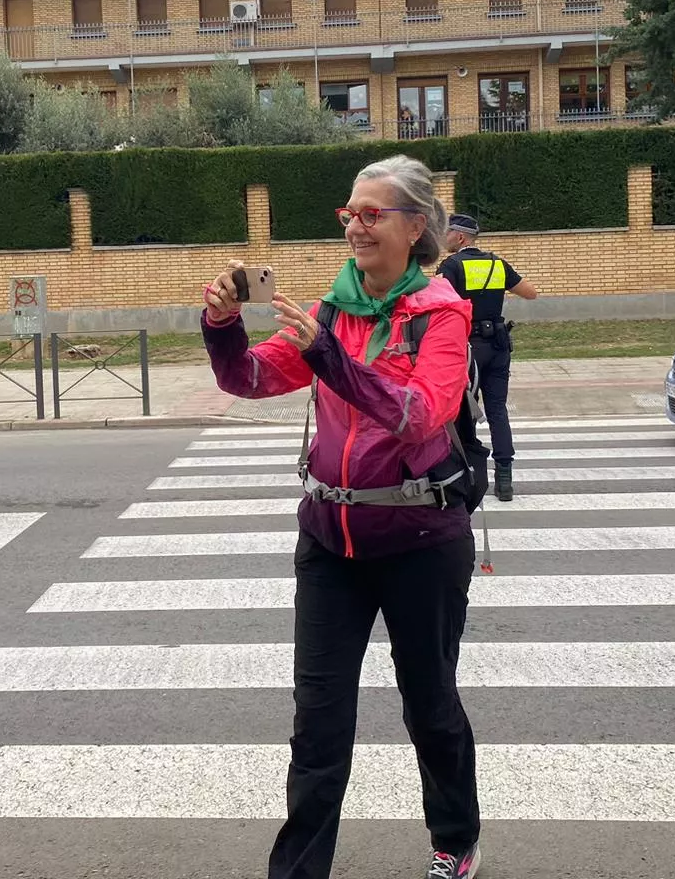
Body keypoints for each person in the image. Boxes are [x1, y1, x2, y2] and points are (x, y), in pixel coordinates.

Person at [202, 154, 484, 879]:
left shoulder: (442, 314)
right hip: (330, 541)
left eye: (371, 214)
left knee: (431, 707)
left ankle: (455, 841)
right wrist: (222, 323)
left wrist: (329, 357)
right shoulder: (331, 312)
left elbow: (419, 418)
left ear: (415, 225)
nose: (355, 228)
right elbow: (249, 377)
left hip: (421, 539)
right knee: (318, 724)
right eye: (348, 214)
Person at [437, 213, 538, 502]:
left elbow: (433, 300)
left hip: (467, 349)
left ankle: (464, 475)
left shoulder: (452, 265)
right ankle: (504, 480)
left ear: (460, 237)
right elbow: (530, 293)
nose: (444, 238)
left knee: (461, 412)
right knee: (497, 410)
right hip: (498, 345)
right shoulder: (497, 263)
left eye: (447, 233)